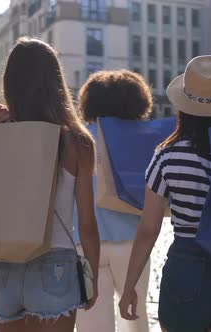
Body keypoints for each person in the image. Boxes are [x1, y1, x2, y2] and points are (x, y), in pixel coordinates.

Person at [119, 55, 211, 332]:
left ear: (184, 105)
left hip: (187, 272)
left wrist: (129, 286)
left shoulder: (167, 156)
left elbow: (148, 229)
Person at [0, 37, 100, 332]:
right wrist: (92, 277)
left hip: (2, 260)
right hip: (55, 263)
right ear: (55, 81)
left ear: (10, 83)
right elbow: (86, 224)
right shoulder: (77, 142)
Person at [74, 70, 152, 332]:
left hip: (84, 243)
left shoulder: (77, 138)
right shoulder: (144, 139)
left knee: (91, 323)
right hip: (132, 242)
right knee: (136, 317)